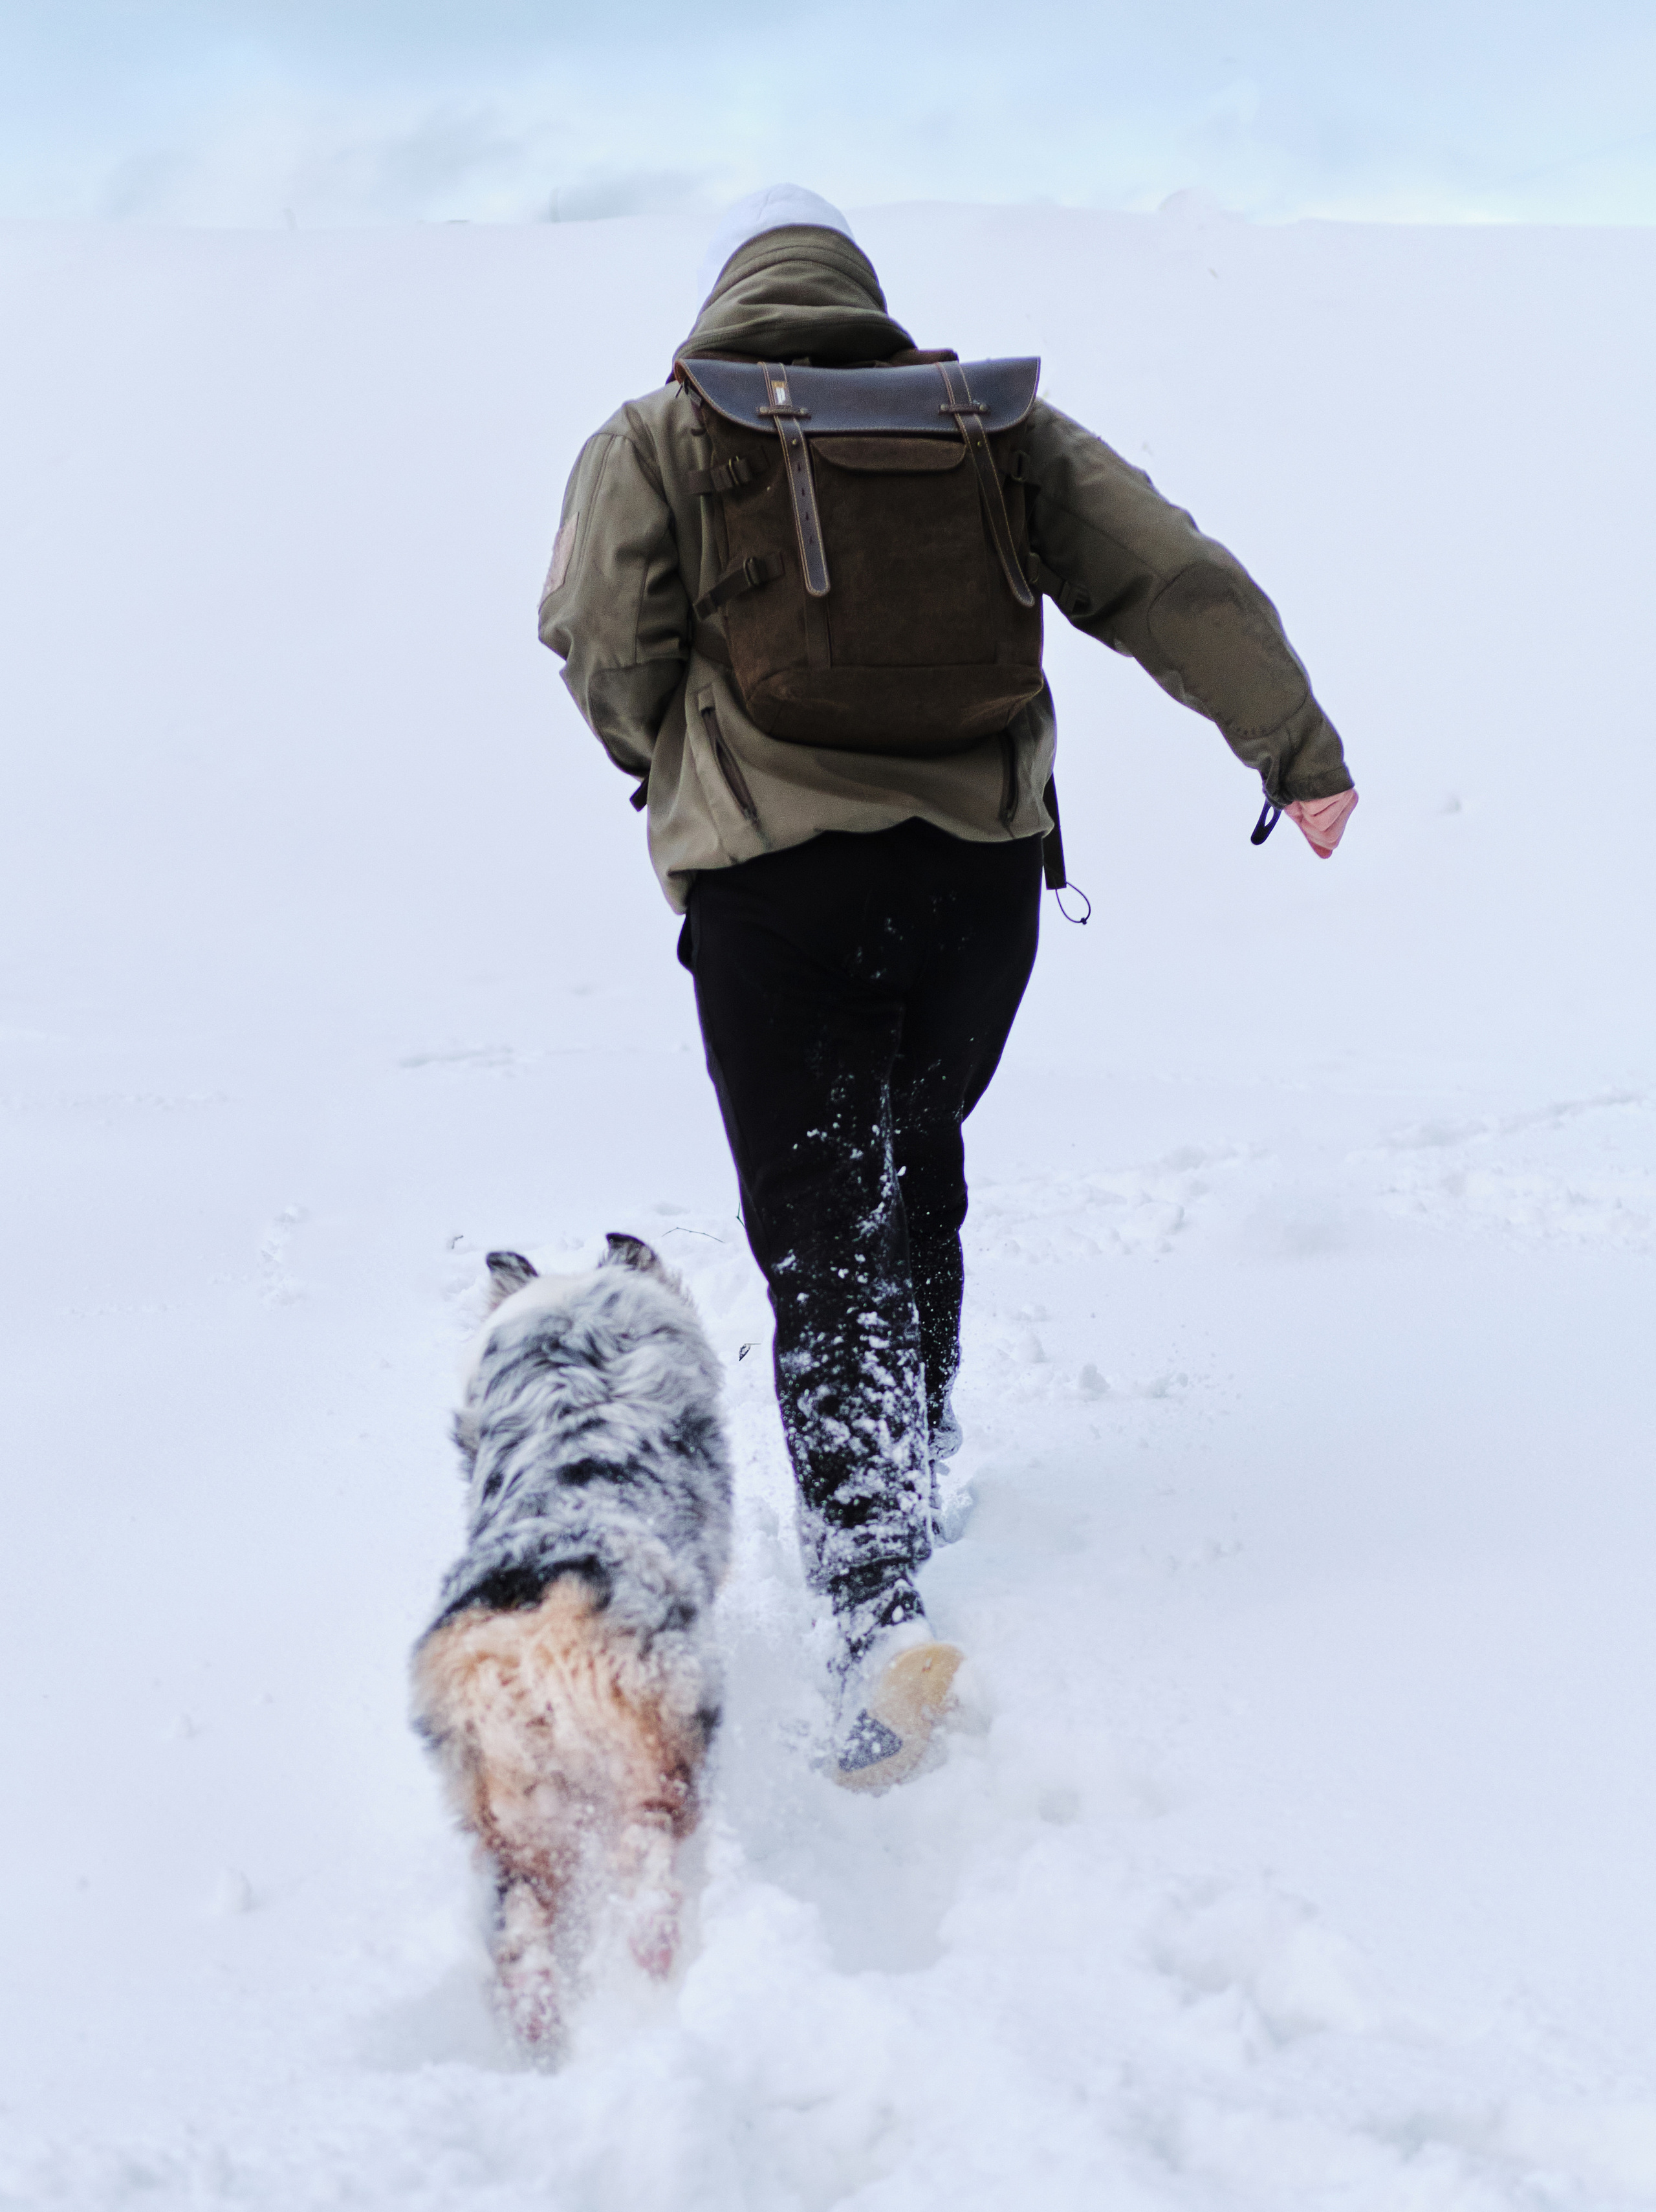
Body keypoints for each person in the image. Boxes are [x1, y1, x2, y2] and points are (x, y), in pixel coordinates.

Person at [539, 185, 1356, 1790]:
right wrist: (1294, 748)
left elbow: (600, 639)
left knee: (818, 1219)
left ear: (723, 293)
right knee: (914, 1162)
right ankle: (917, 1462)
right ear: (856, 287)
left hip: (774, 887)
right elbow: (1168, 577)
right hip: (974, 889)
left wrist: (666, 764)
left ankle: (871, 1605)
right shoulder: (987, 425)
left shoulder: (661, 432)